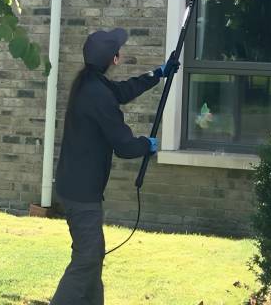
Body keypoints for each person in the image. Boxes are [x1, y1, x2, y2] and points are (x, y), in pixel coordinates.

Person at [50, 27, 179, 305]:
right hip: (81, 193)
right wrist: (147, 144)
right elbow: (124, 145)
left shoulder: (91, 84)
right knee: (87, 257)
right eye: (119, 50)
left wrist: (157, 74)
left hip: (76, 186)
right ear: (114, 59)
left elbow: (122, 90)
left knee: (92, 254)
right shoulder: (97, 94)